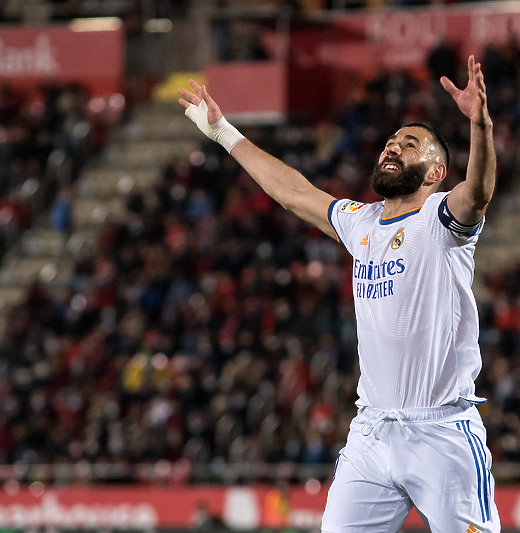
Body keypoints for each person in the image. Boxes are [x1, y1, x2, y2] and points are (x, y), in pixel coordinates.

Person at [179, 54, 499, 533]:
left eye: (409, 145)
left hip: (441, 433)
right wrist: (224, 131)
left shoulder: (440, 220)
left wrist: (480, 126)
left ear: (435, 174)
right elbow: (295, 193)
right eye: (391, 142)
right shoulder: (362, 222)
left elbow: (477, 192)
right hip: (371, 433)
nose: (393, 148)